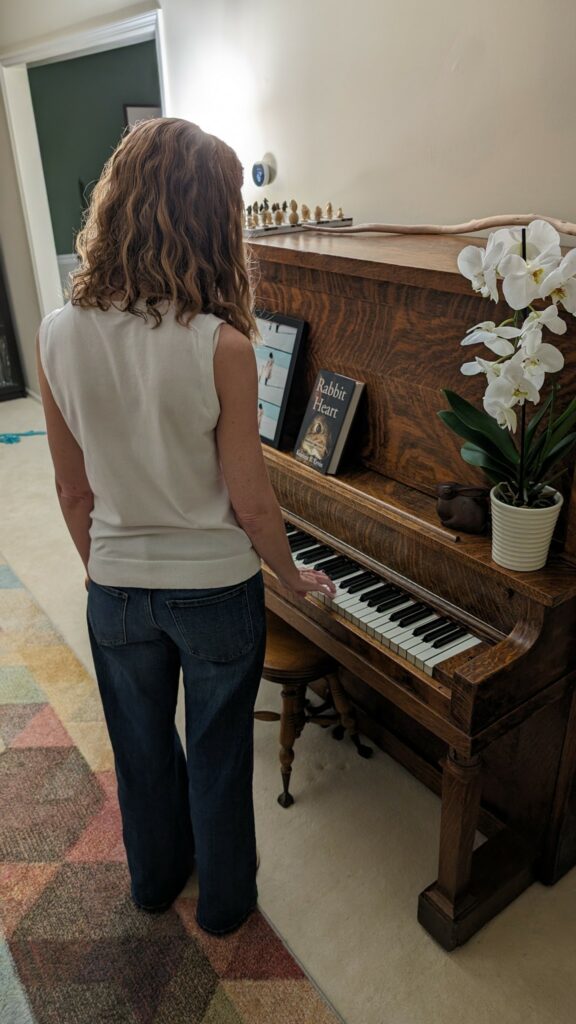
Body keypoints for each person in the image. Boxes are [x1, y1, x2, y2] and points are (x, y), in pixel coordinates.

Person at [36, 118, 336, 935]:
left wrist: (103, 570)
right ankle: (227, 905)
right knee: (219, 752)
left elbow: (71, 493)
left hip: (119, 591)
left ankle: (153, 882)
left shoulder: (58, 332)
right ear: (211, 222)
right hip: (215, 594)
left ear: (119, 204)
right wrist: (290, 576)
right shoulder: (222, 345)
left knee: (139, 752)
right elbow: (251, 504)